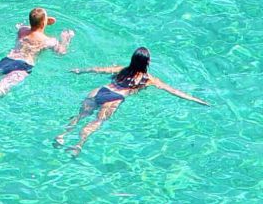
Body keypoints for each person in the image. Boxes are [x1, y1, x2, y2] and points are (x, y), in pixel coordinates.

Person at [55, 46, 209, 156]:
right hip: (114, 99)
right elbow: (174, 91)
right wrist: (196, 100)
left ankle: (62, 135)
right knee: (96, 122)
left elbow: (99, 69)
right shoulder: (149, 79)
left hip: (100, 90)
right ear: (147, 63)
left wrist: (80, 71)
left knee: (80, 116)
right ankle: (78, 145)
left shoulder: (122, 69)